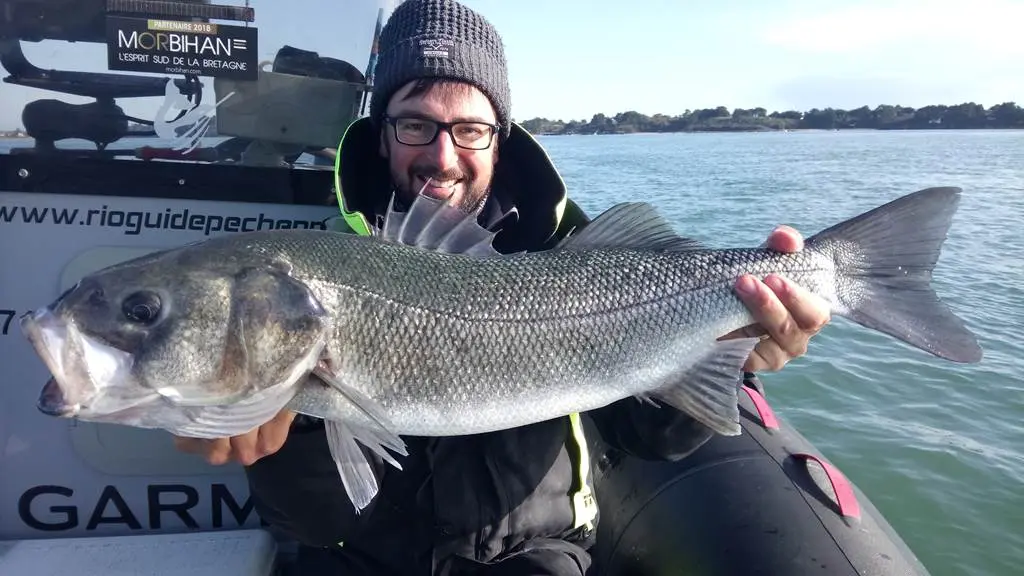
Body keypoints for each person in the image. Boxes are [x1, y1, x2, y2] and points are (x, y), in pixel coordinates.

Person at [173, 1, 831, 574]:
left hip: (536, 559)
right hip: (361, 560)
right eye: (414, 124)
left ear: (499, 139)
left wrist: (734, 352)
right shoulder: (310, 271)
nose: (442, 154)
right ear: (381, 137)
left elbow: (649, 438)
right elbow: (319, 525)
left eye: (469, 129)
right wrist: (280, 442)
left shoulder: (572, 254)